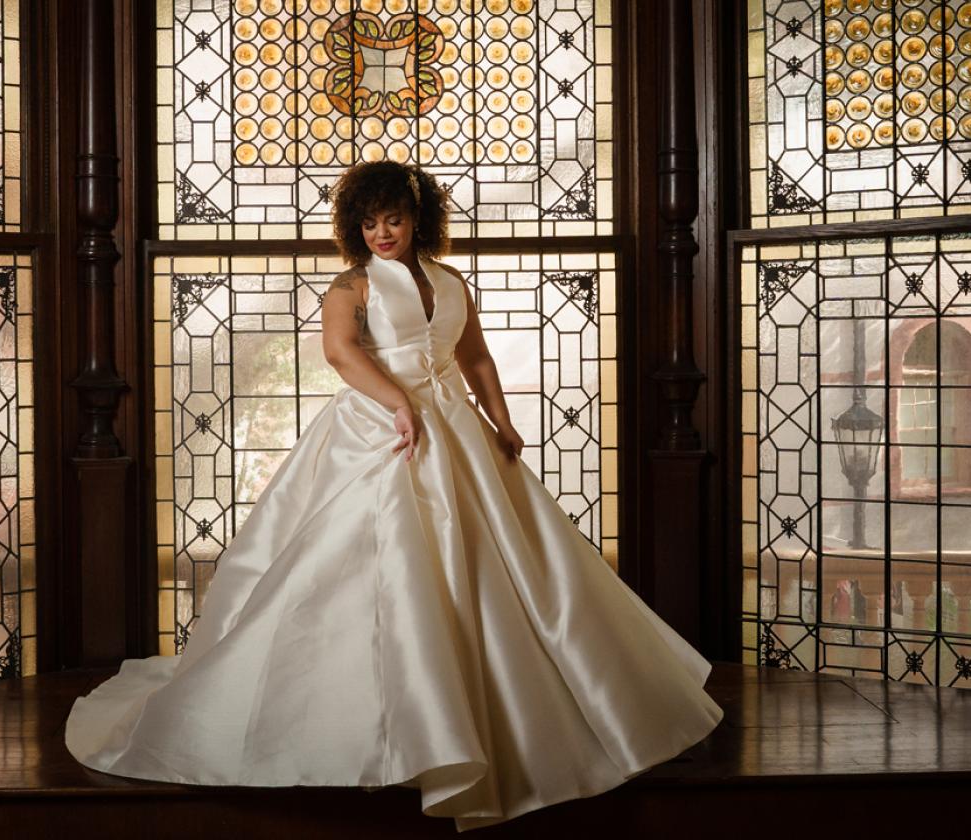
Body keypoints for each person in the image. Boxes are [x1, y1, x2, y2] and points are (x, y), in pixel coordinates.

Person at [65, 160, 724, 832]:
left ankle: (502, 721)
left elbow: (477, 359)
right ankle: (389, 729)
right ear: (355, 226)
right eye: (370, 221)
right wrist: (398, 406)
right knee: (374, 570)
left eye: (395, 219)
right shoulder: (350, 286)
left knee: (501, 567)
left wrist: (501, 421)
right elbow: (343, 355)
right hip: (378, 432)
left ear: (418, 219)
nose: (382, 232)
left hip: (457, 431)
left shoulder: (448, 280)